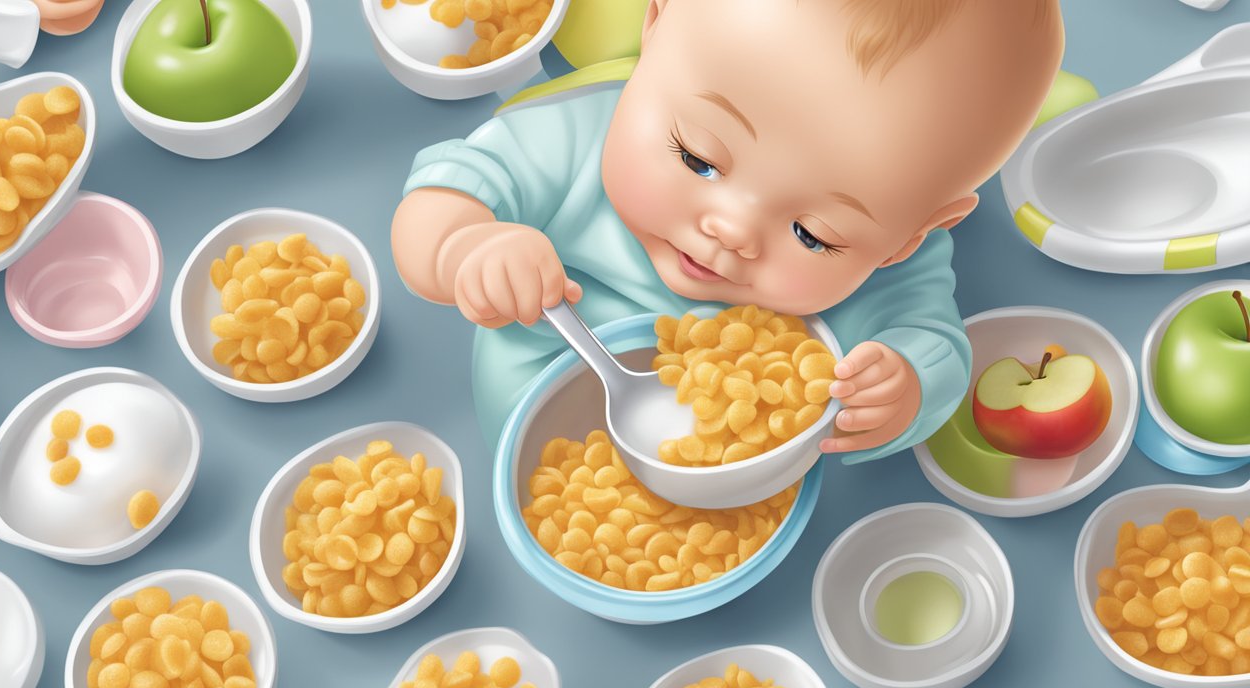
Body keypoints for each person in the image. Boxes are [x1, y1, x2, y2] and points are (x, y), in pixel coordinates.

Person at [392, 0, 1064, 462]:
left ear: (908, 237)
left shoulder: (891, 269)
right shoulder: (572, 140)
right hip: (528, 446)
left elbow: (935, 344)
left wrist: (904, 386)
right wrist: (464, 247)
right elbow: (443, 193)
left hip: (740, 506)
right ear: (656, 22)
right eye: (697, 159)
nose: (733, 228)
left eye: (812, 234)